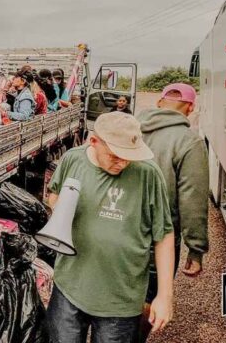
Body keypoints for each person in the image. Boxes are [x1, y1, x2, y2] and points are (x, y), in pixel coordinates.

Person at [46, 111, 175, 343]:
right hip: (70, 288)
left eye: (129, 156)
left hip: (120, 300)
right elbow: (53, 196)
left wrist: (165, 295)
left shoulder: (148, 174)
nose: (123, 162)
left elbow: (164, 236)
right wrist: (61, 210)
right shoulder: (73, 159)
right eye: (116, 155)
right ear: (94, 141)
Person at [136, 83, 209, 342]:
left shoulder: (131, 129)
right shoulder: (189, 141)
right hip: (158, 237)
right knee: (148, 295)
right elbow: (192, 197)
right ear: (190, 108)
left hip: (118, 226)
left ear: (159, 102)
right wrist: (196, 248)